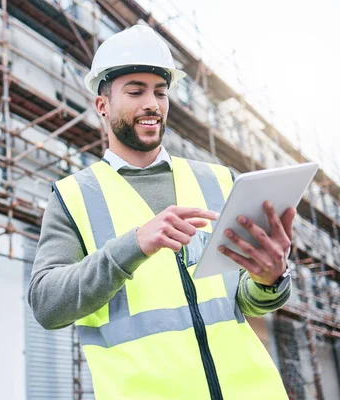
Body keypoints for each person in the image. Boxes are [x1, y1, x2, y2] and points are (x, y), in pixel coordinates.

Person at [28, 25, 293, 400]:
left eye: (160, 92)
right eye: (135, 91)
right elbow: (46, 305)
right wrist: (133, 246)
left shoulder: (218, 181)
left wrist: (270, 279)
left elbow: (243, 302)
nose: (152, 103)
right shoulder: (74, 197)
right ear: (102, 106)